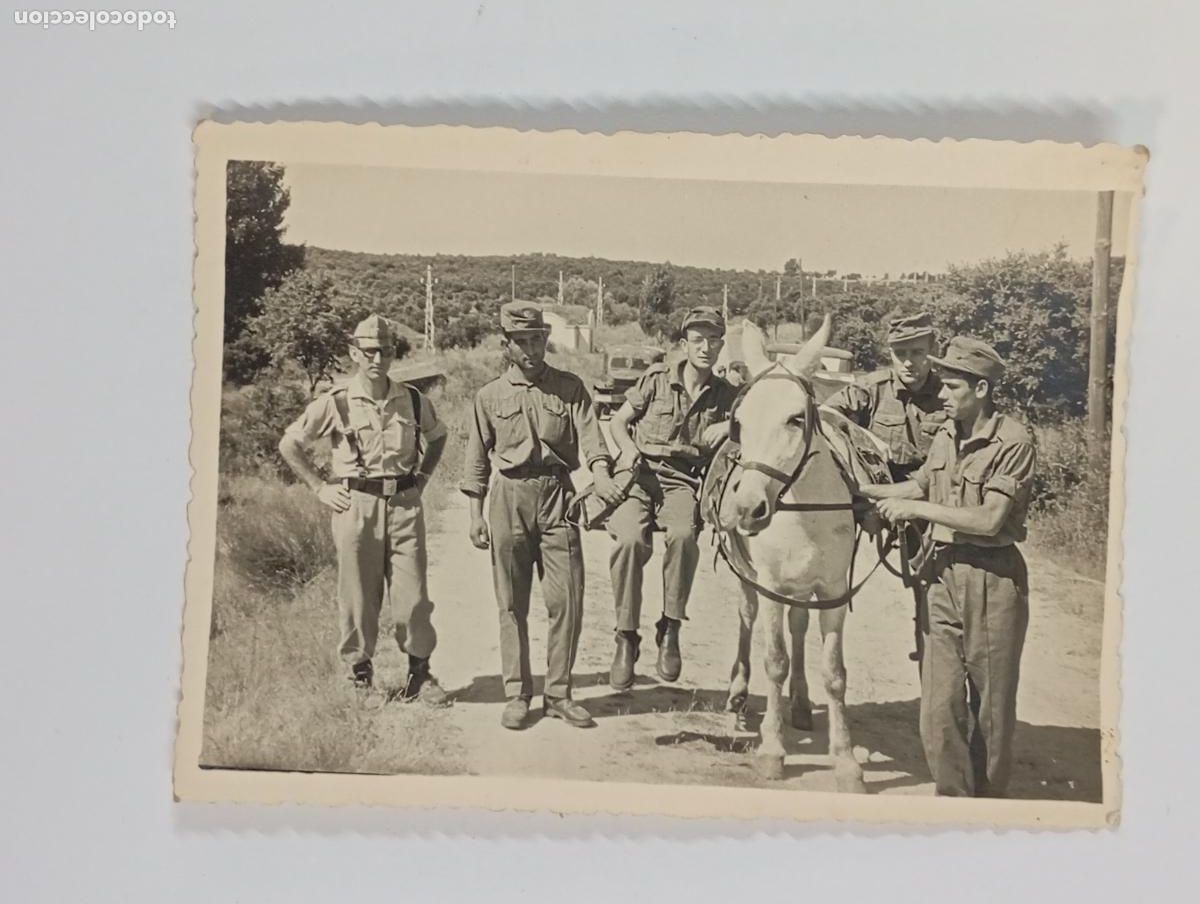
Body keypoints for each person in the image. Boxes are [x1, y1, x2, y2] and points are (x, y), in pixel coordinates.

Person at [861, 337, 1036, 798]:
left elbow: (989, 519)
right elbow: (918, 486)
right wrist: (861, 492)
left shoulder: (1013, 441)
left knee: (992, 711)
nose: (940, 394)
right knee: (939, 706)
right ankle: (953, 800)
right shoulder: (945, 433)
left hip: (993, 580)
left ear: (981, 389)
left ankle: (990, 805)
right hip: (940, 577)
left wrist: (919, 514)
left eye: (951, 386)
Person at [462, 302, 619, 730]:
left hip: (558, 498)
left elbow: (593, 440)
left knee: (566, 599)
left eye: (537, 339)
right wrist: (475, 515)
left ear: (546, 339)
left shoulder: (571, 388)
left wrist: (602, 474)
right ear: (507, 345)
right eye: (521, 341)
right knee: (511, 603)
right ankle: (517, 693)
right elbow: (476, 461)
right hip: (508, 497)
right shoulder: (489, 396)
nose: (530, 348)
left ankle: (559, 693)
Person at [279, 314, 450, 704]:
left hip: (405, 504)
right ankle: (359, 674)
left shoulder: (412, 399)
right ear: (354, 353)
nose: (378, 358)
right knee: (358, 596)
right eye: (370, 351)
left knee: (415, 596)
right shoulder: (337, 402)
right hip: (357, 506)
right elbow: (290, 445)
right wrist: (319, 487)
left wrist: (422, 479)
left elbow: (438, 437)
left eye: (386, 350)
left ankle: (420, 675)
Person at [602, 306, 738, 690]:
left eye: (713, 341)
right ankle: (626, 636)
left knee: (683, 537)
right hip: (640, 476)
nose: (706, 348)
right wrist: (626, 449)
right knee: (628, 542)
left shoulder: (728, 395)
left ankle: (670, 627)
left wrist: (730, 425)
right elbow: (617, 421)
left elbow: (751, 430)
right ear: (684, 344)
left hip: (683, 481)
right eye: (698, 340)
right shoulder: (656, 379)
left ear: (722, 345)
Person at [826, 312, 947, 663]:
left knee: (931, 580)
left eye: (918, 352)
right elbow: (828, 418)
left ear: (932, 350)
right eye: (901, 353)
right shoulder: (871, 388)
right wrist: (862, 459)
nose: (909, 362)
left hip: (924, 496)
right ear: (889, 353)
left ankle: (931, 652)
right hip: (872, 493)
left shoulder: (948, 394)